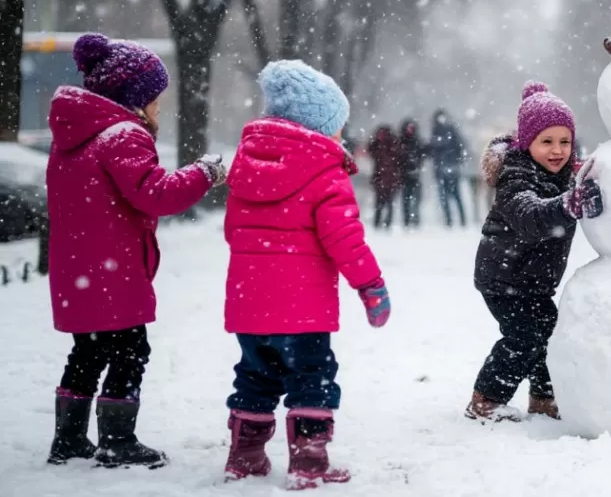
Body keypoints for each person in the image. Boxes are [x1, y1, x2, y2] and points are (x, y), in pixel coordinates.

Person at [45, 33, 224, 468]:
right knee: (130, 351)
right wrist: (204, 173)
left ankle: (68, 438)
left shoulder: (73, 137)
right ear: (133, 98)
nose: (158, 108)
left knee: (87, 351)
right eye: (154, 99)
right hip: (115, 270)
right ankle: (117, 440)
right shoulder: (123, 134)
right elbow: (156, 194)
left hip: (78, 270)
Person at [221, 60, 390, 488]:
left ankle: (245, 455)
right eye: (336, 126)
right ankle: (309, 460)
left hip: (251, 304)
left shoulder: (245, 164)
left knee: (254, 374)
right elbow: (345, 239)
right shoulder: (324, 170)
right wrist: (370, 285)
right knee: (311, 377)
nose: (339, 135)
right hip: (303, 308)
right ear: (319, 126)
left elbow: (233, 232)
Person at [469, 82, 601, 422]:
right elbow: (531, 216)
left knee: (551, 336)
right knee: (525, 338)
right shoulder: (516, 176)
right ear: (527, 144)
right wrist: (567, 205)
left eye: (564, 142)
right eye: (546, 142)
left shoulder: (563, 174)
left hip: (534, 282)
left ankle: (544, 398)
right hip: (504, 279)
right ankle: (487, 398)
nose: (557, 150)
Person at [431, 109, 468, 228]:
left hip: (445, 168)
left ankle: (451, 220)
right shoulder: (450, 130)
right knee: (454, 196)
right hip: (450, 167)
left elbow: (434, 150)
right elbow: (460, 146)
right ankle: (458, 220)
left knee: (447, 197)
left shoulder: (438, 131)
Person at [367, 124, 402, 230]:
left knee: (383, 202)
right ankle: (383, 223)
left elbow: (371, 151)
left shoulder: (385, 146)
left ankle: (381, 223)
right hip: (386, 178)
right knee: (385, 202)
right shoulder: (389, 145)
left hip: (385, 178)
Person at [399, 119, 431, 227]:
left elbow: (425, 153)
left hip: (415, 175)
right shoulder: (402, 142)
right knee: (407, 199)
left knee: (414, 199)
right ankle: (407, 219)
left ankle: (414, 218)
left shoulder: (416, 141)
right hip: (406, 176)